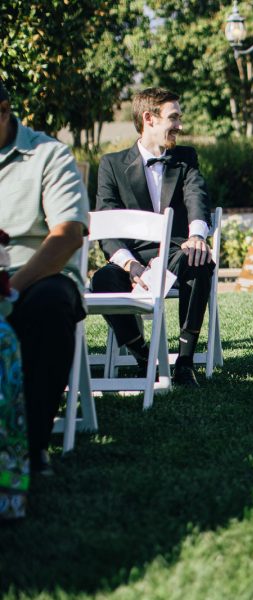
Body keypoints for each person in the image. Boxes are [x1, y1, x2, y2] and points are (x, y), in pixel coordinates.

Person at [91, 87, 213, 387]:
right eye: (174, 118)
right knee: (102, 280)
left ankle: (185, 362)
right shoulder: (111, 164)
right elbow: (106, 224)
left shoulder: (186, 158)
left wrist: (197, 235)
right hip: (133, 259)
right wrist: (130, 265)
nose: (180, 125)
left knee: (198, 259)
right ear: (149, 118)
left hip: (174, 253)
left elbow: (196, 196)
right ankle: (144, 358)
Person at [0, 80, 90, 475]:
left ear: (3, 111)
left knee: (51, 303)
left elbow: (68, 234)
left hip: (35, 277)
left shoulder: (48, 155)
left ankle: (32, 447)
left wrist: (9, 291)